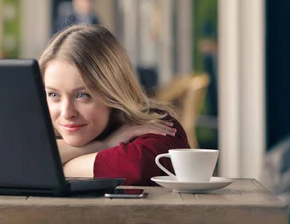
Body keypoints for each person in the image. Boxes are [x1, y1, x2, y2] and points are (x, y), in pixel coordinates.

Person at [40, 24, 190, 185]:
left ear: (113, 91)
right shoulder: (43, 125)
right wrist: (105, 145)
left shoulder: (158, 126)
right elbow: (13, 160)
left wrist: (56, 168)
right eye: (54, 95)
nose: (66, 113)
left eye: (82, 95)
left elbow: (135, 168)